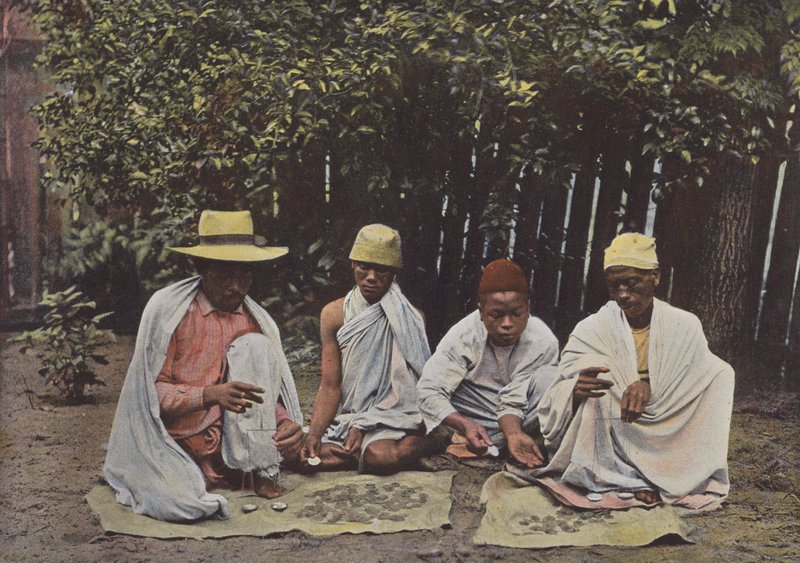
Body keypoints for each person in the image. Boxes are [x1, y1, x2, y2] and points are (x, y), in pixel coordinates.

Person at [103, 210, 304, 522]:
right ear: (200, 268)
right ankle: (194, 476)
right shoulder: (170, 312)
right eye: (225, 276)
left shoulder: (253, 318)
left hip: (231, 442)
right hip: (175, 441)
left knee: (256, 345)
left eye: (244, 276)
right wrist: (209, 395)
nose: (236, 287)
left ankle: (258, 469)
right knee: (178, 503)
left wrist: (284, 421)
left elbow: (258, 393)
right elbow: (150, 395)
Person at [534, 232, 734, 509]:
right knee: (599, 380)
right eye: (614, 287)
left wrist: (648, 387)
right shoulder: (593, 329)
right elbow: (564, 381)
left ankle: (666, 476)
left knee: (721, 374)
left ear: (655, 277)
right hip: (616, 426)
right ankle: (619, 478)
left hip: (668, 425)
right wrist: (574, 391)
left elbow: (693, 379)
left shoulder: (684, 325)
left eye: (631, 284)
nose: (623, 295)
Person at [302, 224, 434, 473]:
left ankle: (435, 440)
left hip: (390, 418)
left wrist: (367, 423)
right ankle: (353, 453)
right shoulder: (333, 314)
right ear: (353, 264)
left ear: (394, 272)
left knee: (380, 457)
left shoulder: (412, 318)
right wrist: (315, 435)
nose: (371, 277)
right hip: (348, 416)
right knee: (296, 450)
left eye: (381, 269)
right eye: (364, 266)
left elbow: (408, 392)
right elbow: (330, 386)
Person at [416, 259, 560, 468]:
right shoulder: (464, 335)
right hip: (472, 420)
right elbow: (428, 390)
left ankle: (507, 443)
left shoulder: (543, 340)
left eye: (516, 314)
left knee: (552, 379)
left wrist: (513, 433)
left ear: (528, 309)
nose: (507, 324)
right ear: (481, 311)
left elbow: (515, 399)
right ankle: (471, 440)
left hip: (519, 420)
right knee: (428, 408)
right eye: (496, 315)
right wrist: (464, 425)